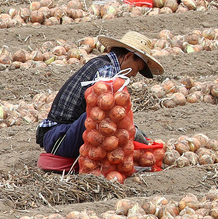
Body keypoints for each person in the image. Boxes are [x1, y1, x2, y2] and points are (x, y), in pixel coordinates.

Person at [37, 31, 162, 160]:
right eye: (137, 68)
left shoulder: (102, 63)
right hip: (60, 138)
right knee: (103, 116)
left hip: (58, 135)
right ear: (128, 56)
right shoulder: (108, 70)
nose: (135, 74)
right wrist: (133, 133)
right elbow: (107, 112)